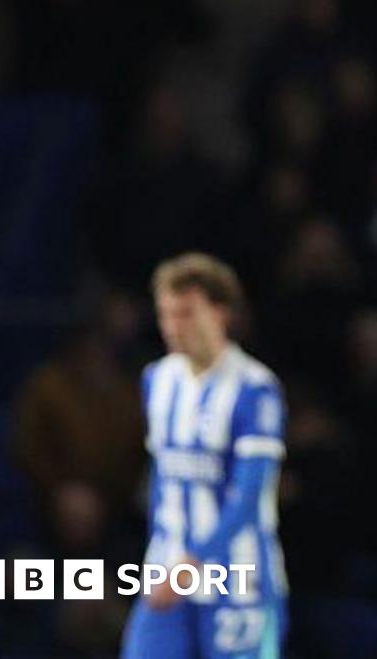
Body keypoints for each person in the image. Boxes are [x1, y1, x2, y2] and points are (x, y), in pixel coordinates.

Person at [121, 253, 288, 659]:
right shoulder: (156, 380)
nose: (173, 327)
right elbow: (164, 481)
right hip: (168, 570)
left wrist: (193, 563)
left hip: (237, 577)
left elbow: (248, 497)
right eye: (166, 314)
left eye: (186, 314)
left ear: (219, 313)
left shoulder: (255, 388)